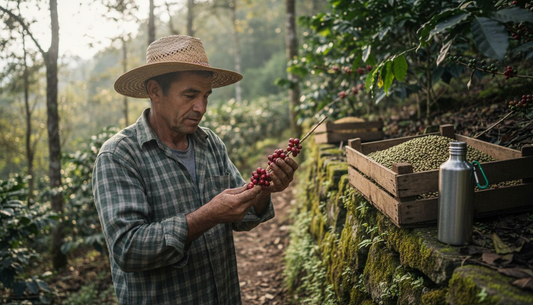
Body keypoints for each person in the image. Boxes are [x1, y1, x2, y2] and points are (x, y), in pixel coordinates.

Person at [92, 35, 298, 304]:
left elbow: (242, 215)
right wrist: (206, 216)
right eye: (190, 95)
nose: (201, 107)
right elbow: (128, 249)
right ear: (155, 91)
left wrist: (264, 189)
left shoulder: (210, 143)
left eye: (205, 96)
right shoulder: (119, 155)